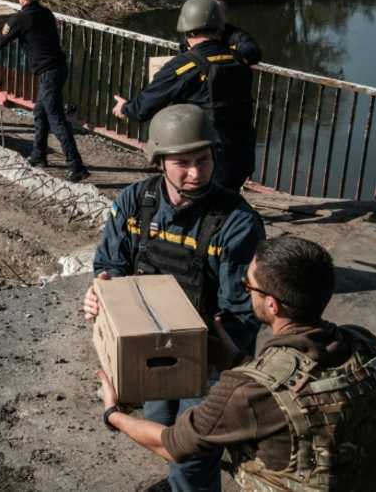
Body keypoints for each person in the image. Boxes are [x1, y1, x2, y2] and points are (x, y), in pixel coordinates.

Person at [97, 234, 376, 492]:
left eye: (248, 286)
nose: (246, 291)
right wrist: (234, 359)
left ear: (272, 304)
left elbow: (171, 445)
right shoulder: (364, 344)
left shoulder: (246, 391)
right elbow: (298, 386)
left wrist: (113, 413)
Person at [83, 103, 265, 492]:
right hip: (149, 348)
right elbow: (110, 264)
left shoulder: (237, 223)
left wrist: (214, 355)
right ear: (160, 161)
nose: (196, 173)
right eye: (183, 162)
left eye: (203, 160)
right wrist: (101, 293)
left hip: (209, 359)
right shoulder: (135, 201)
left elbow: (242, 312)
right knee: (159, 427)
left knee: (191, 452)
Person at [112, 0, 256, 190]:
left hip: (205, 158)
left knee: (202, 205)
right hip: (241, 153)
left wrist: (125, 108)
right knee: (227, 202)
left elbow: (145, 106)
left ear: (187, 30)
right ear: (220, 28)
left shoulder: (185, 64)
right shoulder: (238, 59)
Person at [0, 0, 88, 182]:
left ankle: (76, 165)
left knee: (56, 119)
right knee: (40, 112)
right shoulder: (46, 13)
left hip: (48, 72)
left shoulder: (20, 18)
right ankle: (39, 154)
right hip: (59, 68)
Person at [175, 0, 263, 66]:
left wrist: (222, 56)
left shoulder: (233, 33)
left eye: (218, 13)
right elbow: (183, 50)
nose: (214, 17)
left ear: (224, 16)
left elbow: (252, 51)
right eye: (211, 13)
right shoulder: (194, 31)